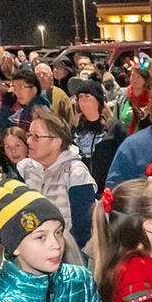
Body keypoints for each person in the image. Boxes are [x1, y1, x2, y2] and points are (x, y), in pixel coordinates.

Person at [17, 108, 99, 251]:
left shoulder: (75, 173)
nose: (28, 141)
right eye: (29, 135)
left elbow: (82, 232)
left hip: (68, 256)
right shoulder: (25, 169)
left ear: (56, 142)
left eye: (36, 137)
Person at [69, 77, 126, 191]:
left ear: (99, 101)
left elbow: (123, 161)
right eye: (80, 97)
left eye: (87, 97)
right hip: (80, 187)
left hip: (107, 190)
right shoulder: (74, 128)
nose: (83, 101)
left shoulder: (114, 128)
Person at [115, 65, 152, 136]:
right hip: (124, 140)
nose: (134, 80)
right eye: (132, 76)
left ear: (145, 80)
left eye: (138, 77)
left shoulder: (151, 99)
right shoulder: (123, 95)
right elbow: (115, 120)